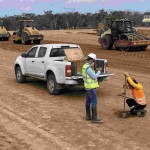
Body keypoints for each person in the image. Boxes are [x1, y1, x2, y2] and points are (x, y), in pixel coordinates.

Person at [82, 53, 103, 123]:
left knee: (88, 102)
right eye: (93, 61)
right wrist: (99, 71)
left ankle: (88, 116)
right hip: (91, 88)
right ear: (91, 60)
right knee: (94, 102)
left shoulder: (85, 66)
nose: (93, 62)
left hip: (87, 87)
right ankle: (94, 118)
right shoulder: (88, 68)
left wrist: (95, 71)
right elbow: (94, 77)